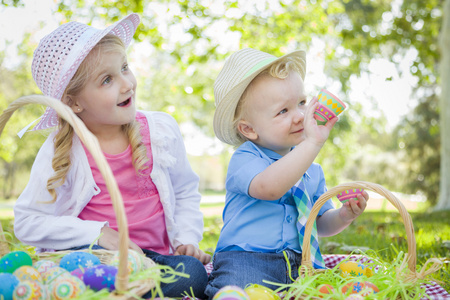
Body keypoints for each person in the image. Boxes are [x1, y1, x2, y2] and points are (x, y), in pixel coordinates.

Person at [13, 13, 210, 298]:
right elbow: (27, 221)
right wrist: (97, 233)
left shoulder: (159, 131)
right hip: (99, 261)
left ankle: (130, 291)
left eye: (125, 68)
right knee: (74, 276)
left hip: (154, 261)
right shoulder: (63, 147)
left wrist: (187, 238)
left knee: (191, 272)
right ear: (73, 102)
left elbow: (185, 191)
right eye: (107, 80)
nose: (127, 83)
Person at [205, 48, 369, 298]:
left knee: (325, 291)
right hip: (247, 258)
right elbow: (269, 188)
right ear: (249, 129)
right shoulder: (246, 158)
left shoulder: (312, 171)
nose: (300, 116)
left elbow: (319, 224)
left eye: (302, 103)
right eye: (283, 111)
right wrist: (312, 144)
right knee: (240, 287)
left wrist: (345, 215)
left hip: (299, 264)